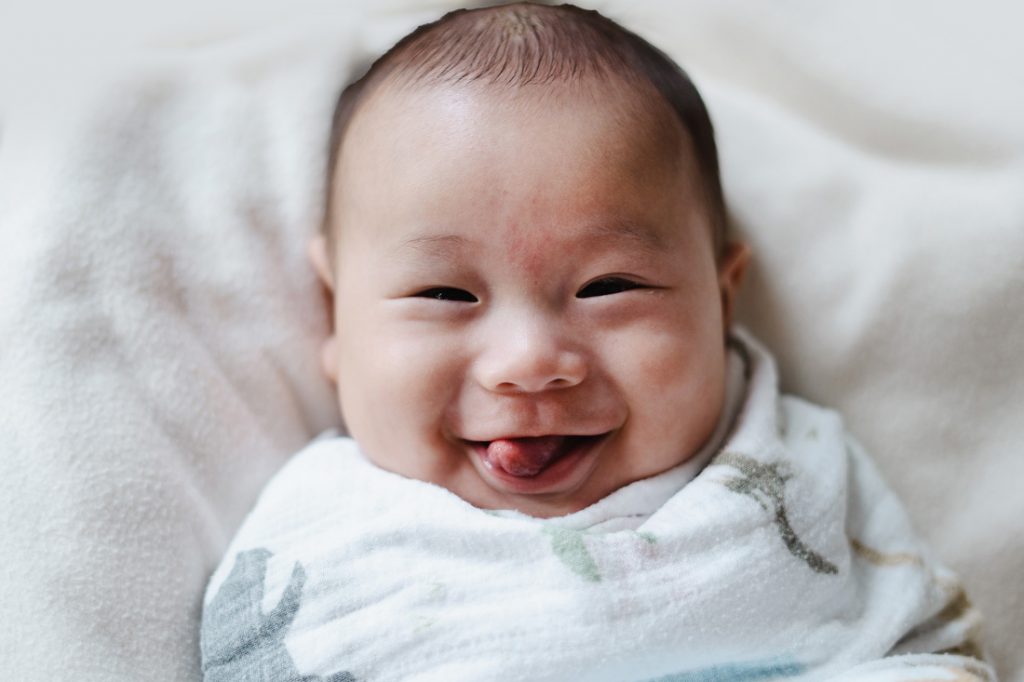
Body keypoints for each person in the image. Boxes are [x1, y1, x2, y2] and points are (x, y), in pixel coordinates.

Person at [200, 4, 993, 680]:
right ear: (338, 317)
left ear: (722, 300)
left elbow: (924, 644)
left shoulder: (794, 467)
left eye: (608, 288)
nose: (529, 364)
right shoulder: (330, 534)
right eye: (444, 294)